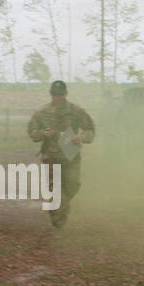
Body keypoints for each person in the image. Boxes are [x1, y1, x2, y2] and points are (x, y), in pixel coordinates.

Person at [27, 80, 95, 228]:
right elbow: (32, 132)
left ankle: (61, 206)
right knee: (54, 188)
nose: (57, 97)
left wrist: (81, 137)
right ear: (50, 94)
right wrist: (42, 133)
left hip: (71, 156)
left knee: (73, 185)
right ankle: (58, 218)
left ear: (66, 94)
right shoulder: (41, 112)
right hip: (50, 157)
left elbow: (90, 130)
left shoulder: (76, 111)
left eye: (60, 95)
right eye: (54, 94)